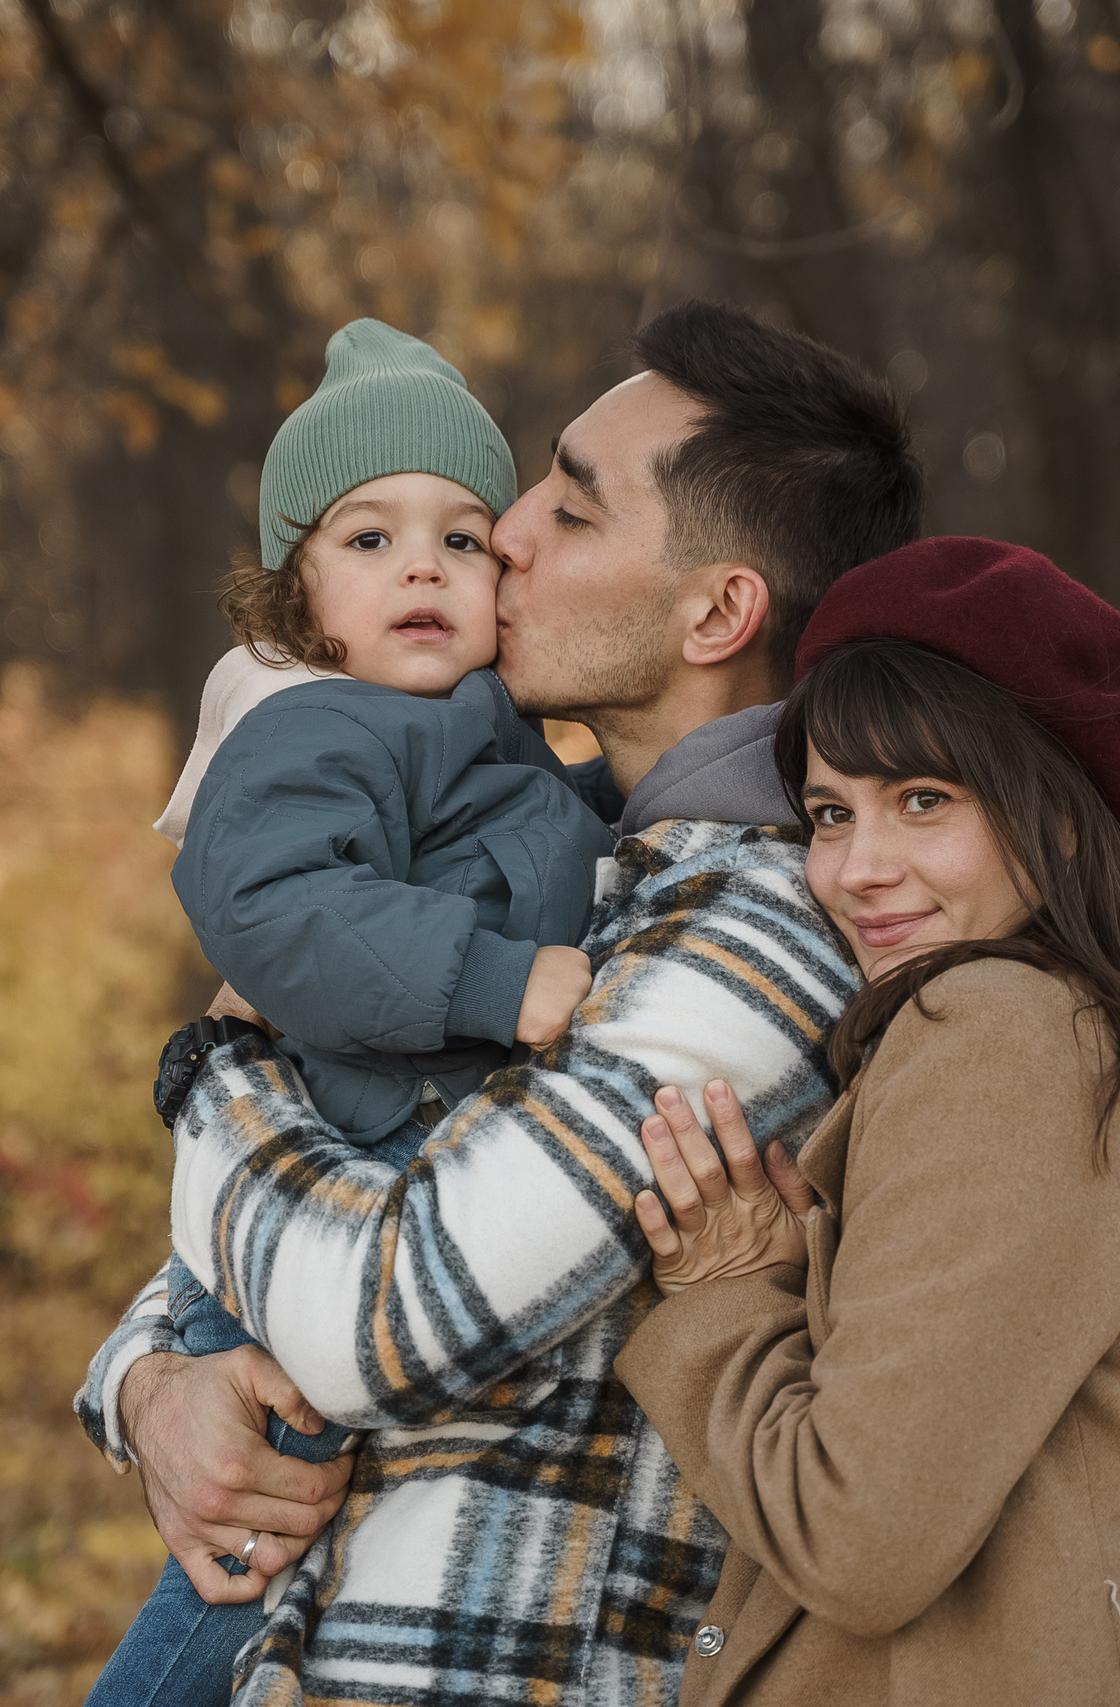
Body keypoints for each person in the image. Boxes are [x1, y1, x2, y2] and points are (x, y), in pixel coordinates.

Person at [73, 300, 922, 1706]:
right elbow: (314, 1202)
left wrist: (222, 1056)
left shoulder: (759, 925)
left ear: (719, 609)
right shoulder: (577, 848)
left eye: (569, 511)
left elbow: (376, 1318)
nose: (502, 534)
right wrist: (150, 1382)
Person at [612, 536, 1120, 1704]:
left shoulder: (995, 1033)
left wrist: (720, 1301)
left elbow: (859, 1537)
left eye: (924, 801)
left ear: (1059, 815)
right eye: (827, 813)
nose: (857, 868)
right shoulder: (1114, 1018)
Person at [90, 319, 615, 1707]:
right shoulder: (309, 724)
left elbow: (558, 836)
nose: (422, 566)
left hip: (383, 1193)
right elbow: (279, 910)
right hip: (311, 1199)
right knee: (257, 1540)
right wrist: (497, 979)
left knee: (302, 1579)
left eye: (458, 537)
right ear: (298, 594)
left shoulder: (490, 730)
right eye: (369, 539)